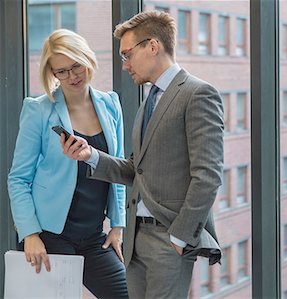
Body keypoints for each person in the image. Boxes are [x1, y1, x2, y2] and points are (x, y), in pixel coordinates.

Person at [62, 10, 224, 298]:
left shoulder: (198, 94)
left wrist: (179, 237)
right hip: (137, 241)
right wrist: (90, 156)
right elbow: (137, 170)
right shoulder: (149, 100)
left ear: (153, 46)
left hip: (169, 240)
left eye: (127, 54)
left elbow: (208, 176)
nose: (125, 65)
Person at [7, 29, 128, 299]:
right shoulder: (38, 110)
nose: (71, 76)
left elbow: (118, 168)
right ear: (53, 74)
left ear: (88, 59)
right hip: (50, 235)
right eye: (61, 71)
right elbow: (18, 178)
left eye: (76, 66)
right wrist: (30, 234)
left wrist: (118, 226)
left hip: (95, 235)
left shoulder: (111, 104)